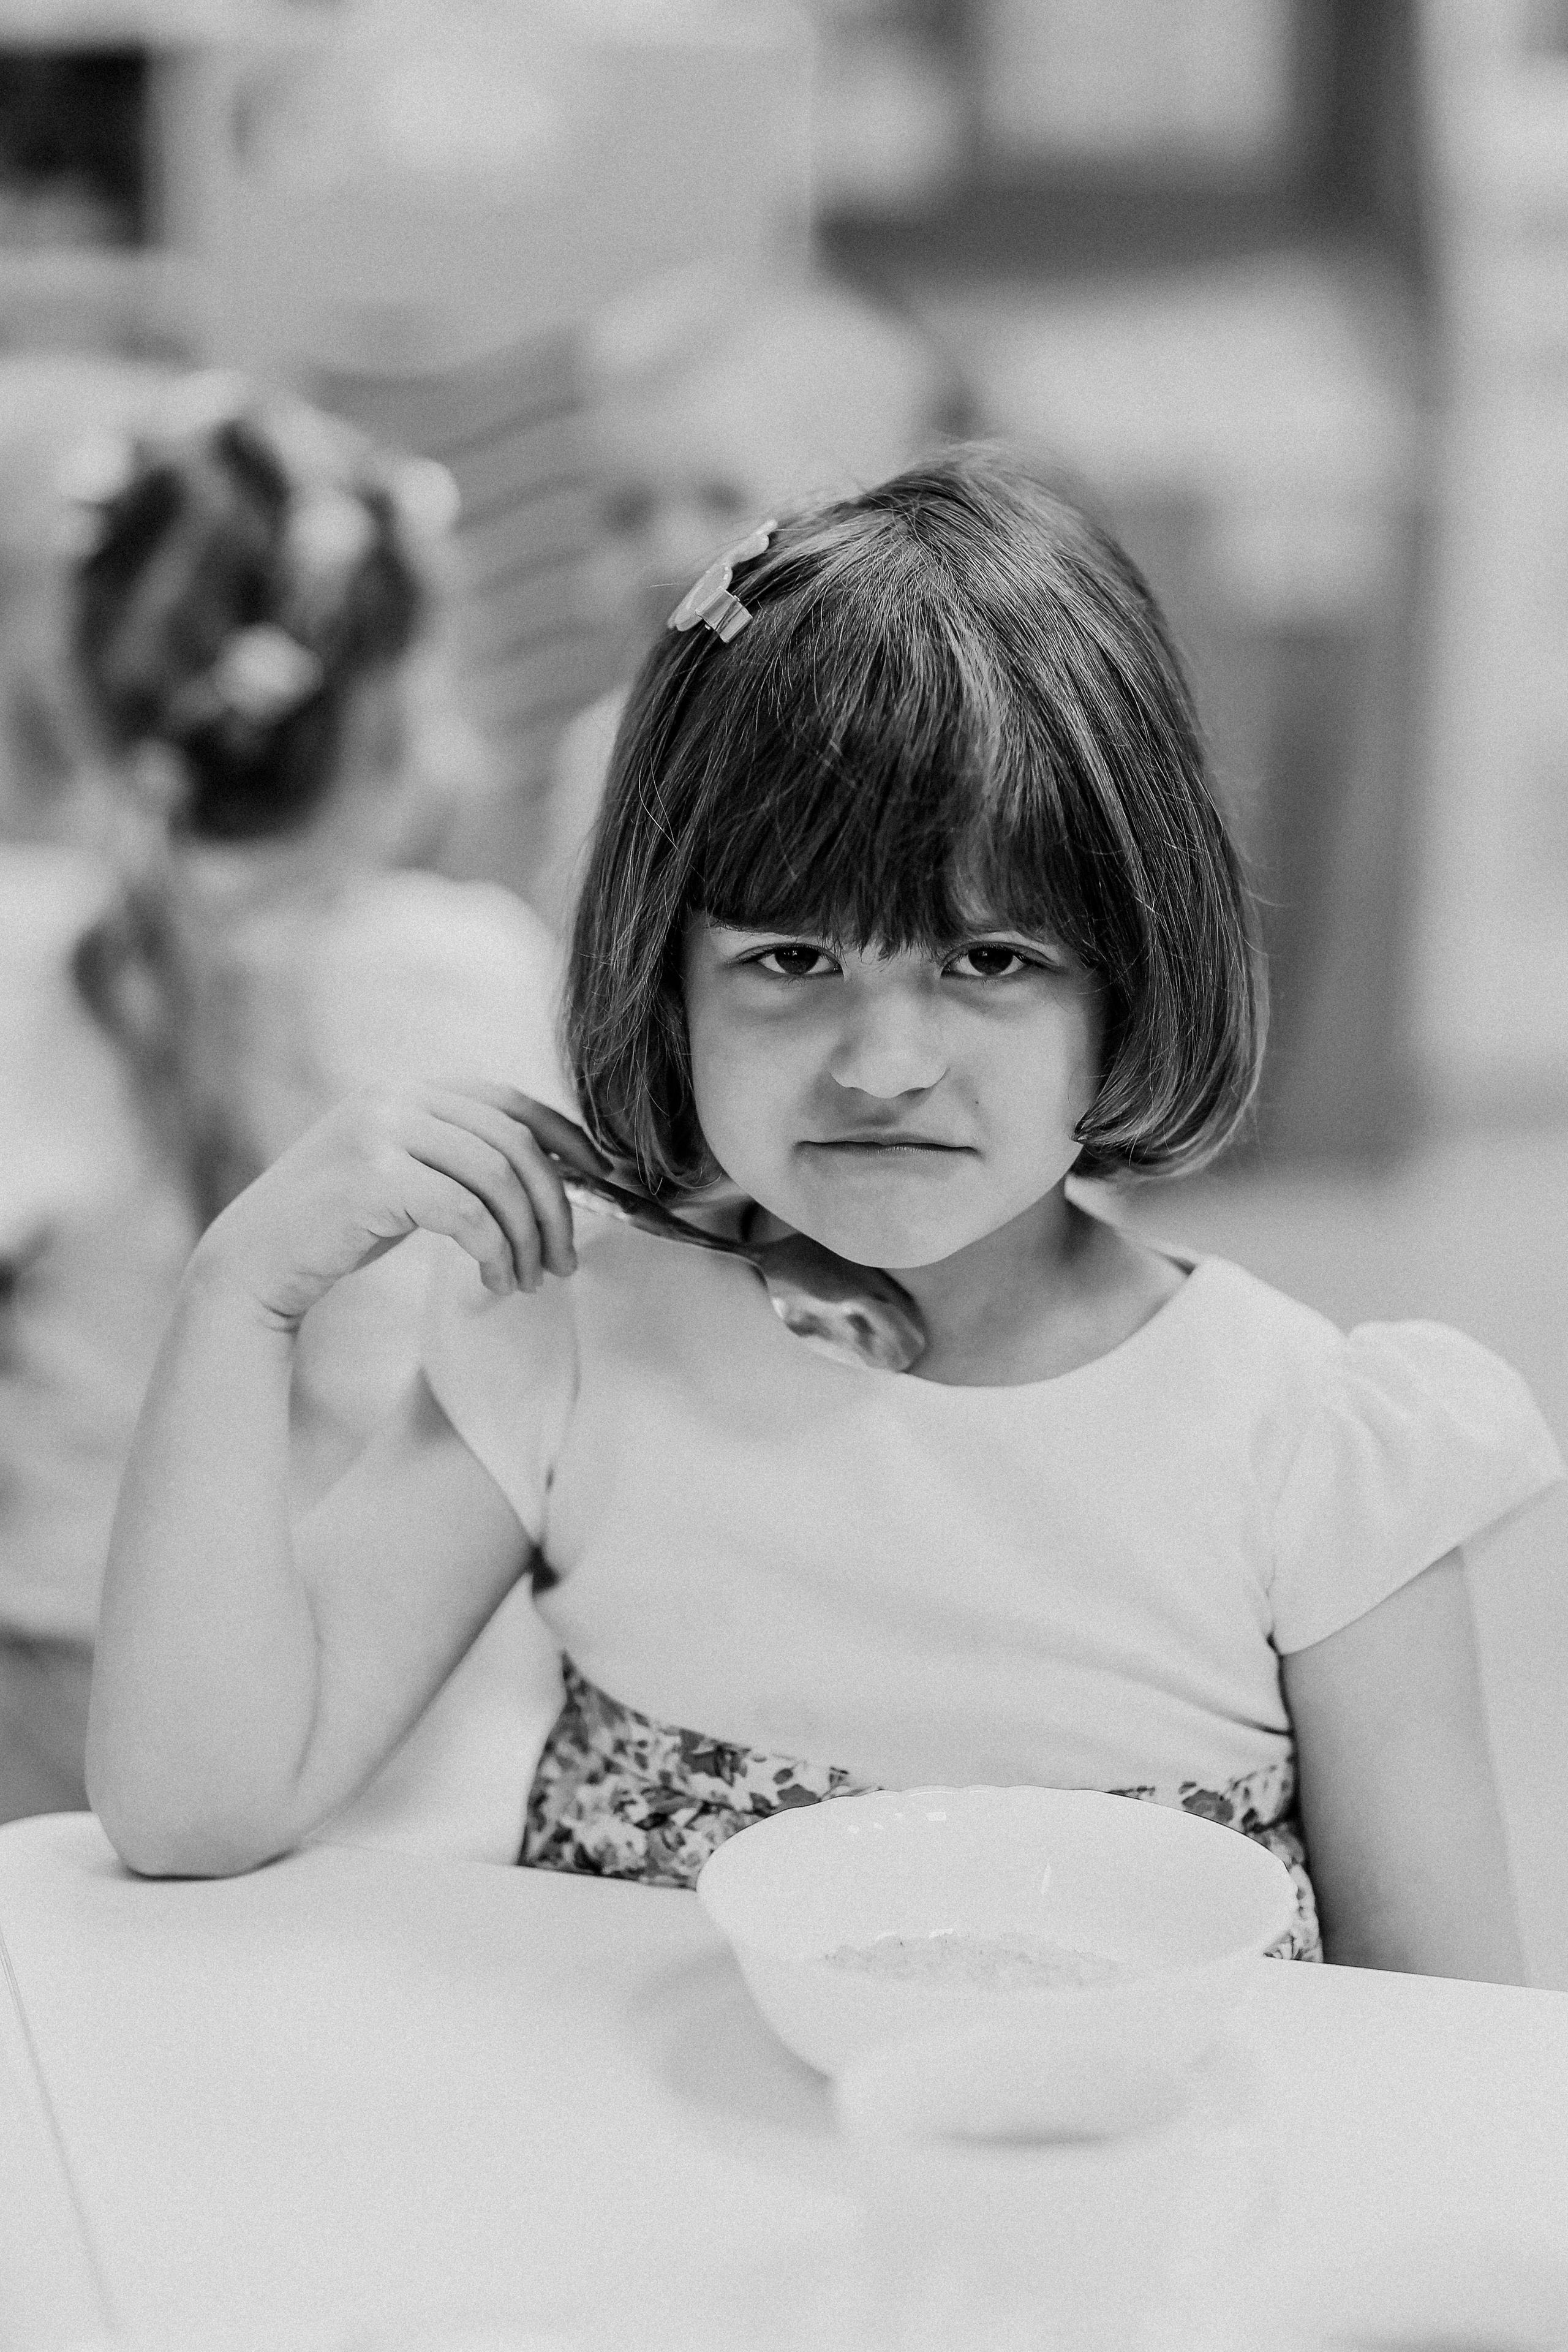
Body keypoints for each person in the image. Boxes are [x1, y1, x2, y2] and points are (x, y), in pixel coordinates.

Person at [86, 446, 1562, 1980]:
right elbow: (197, 1809)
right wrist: (241, 1294)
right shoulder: (574, 1345)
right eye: (791, 960)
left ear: (1130, 969)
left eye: (988, 960)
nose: (884, 1061)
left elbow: (1447, 2054)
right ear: (665, 978)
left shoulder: (1314, 1451)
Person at [1, 375, 566, 1838]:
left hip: (46, 1710)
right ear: (403, 712)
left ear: (71, 684)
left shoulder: (24, 953)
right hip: (388, 1704)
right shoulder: (470, 973)